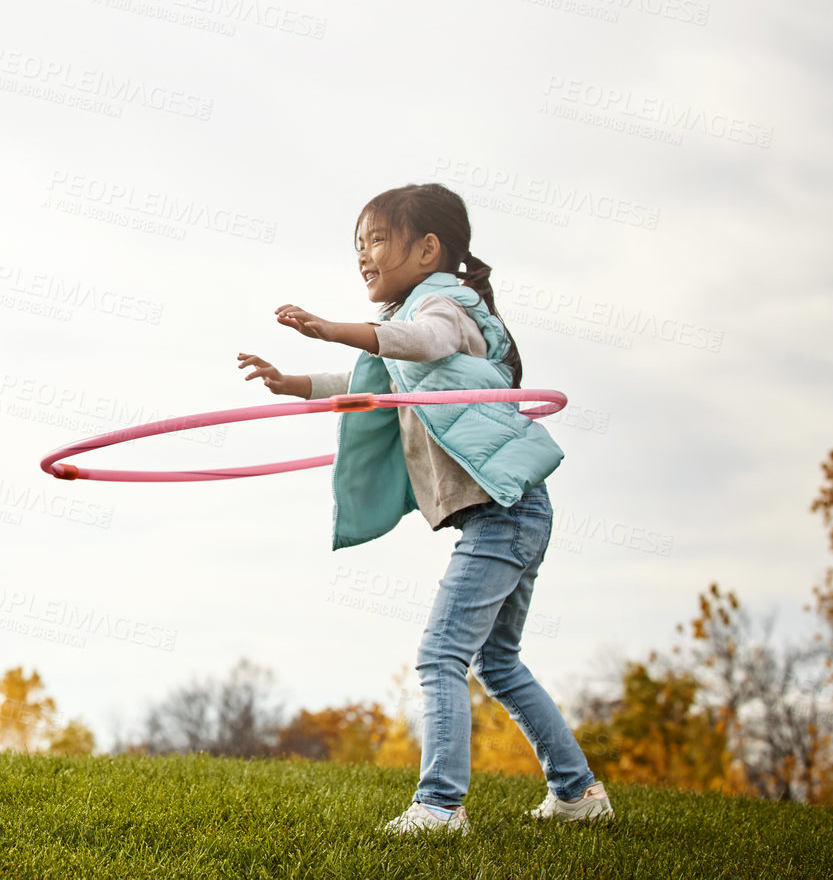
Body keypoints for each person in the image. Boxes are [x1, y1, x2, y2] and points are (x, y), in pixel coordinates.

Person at [237, 182, 612, 834]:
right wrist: (290, 382)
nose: (364, 255)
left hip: (506, 514)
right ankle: (578, 795)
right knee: (496, 662)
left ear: (428, 247)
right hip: (514, 511)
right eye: (358, 244)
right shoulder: (408, 319)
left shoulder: (445, 306)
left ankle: (440, 806)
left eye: (378, 239)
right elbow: (366, 383)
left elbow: (424, 342)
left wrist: (333, 329)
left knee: (440, 655)